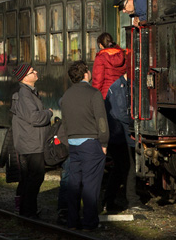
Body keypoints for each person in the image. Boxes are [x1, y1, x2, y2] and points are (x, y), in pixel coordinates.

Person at [59, 61, 110, 230]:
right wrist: (104, 142)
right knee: (91, 184)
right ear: (86, 73)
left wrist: (68, 141)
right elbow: (101, 121)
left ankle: (73, 221)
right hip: (91, 144)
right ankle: (89, 222)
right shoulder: (93, 94)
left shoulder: (66, 96)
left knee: (74, 184)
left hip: (73, 144)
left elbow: (64, 123)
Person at [10, 62, 53, 219]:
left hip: (30, 141)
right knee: (35, 177)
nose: (36, 73)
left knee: (29, 177)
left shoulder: (28, 93)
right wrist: (48, 113)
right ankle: (28, 212)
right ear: (25, 77)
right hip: (32, 143)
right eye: (32, 71)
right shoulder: (25, 95)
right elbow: (34, 118)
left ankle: (26, 210)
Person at [103, 71, 142, 212]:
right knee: (126, 168)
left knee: (120, 169)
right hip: (120, 136)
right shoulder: (119, 88)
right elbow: (121, 114)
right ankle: (131, 201)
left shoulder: (124, 85)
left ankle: (110, 201)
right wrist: (137, 123)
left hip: (120, 135)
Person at [91, 32, 128, 99]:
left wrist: (94, 95)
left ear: (100, 45)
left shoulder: (101, 57)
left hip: (106, 93)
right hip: (121, 92)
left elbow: (98, 80)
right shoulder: (122, 55)